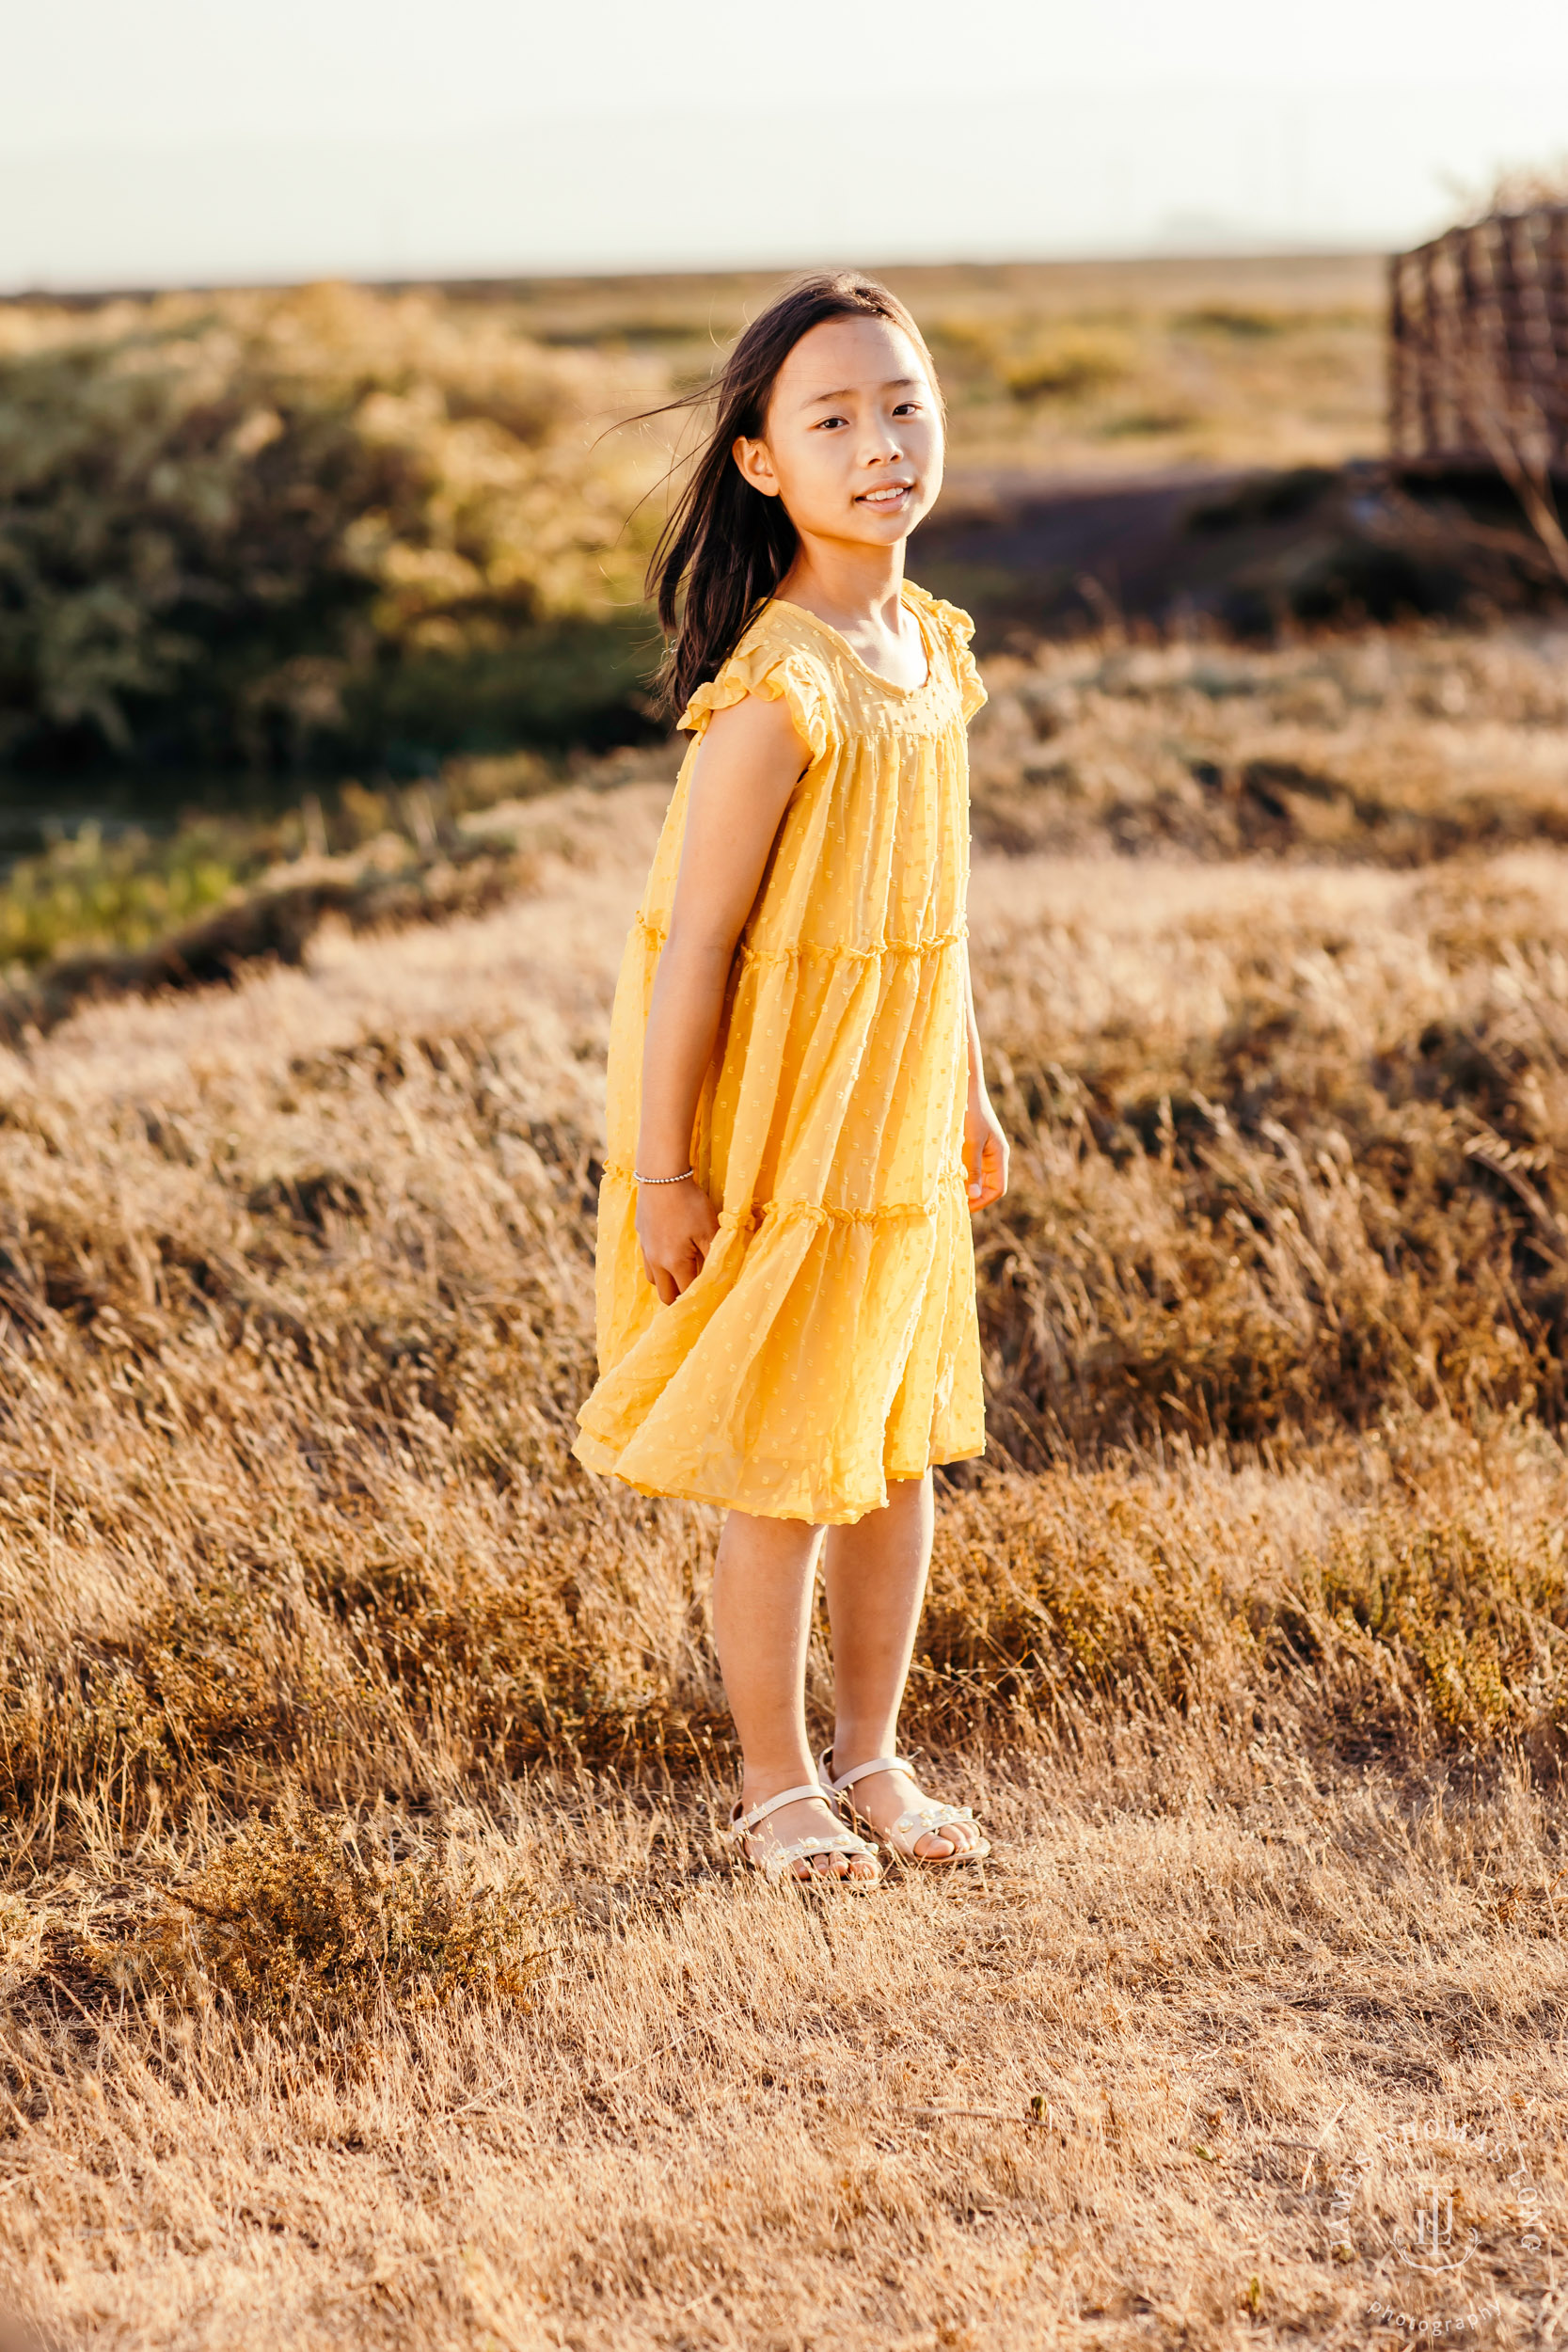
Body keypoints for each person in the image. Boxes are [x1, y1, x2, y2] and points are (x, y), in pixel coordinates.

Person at [574, 274, 1009, 1887]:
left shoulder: (927, 650)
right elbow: (691, 953)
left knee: (892, 1449)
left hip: (896, 1121)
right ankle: (776, 1782)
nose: (882, 444)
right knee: (784, 1458)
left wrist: (969, 1089)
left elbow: (935, 916)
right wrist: (668, 1170)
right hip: (781, 1128)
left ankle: (878, 1756)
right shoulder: (780, 690)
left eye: (904, 404)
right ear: (763, 463)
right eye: (830, 419)